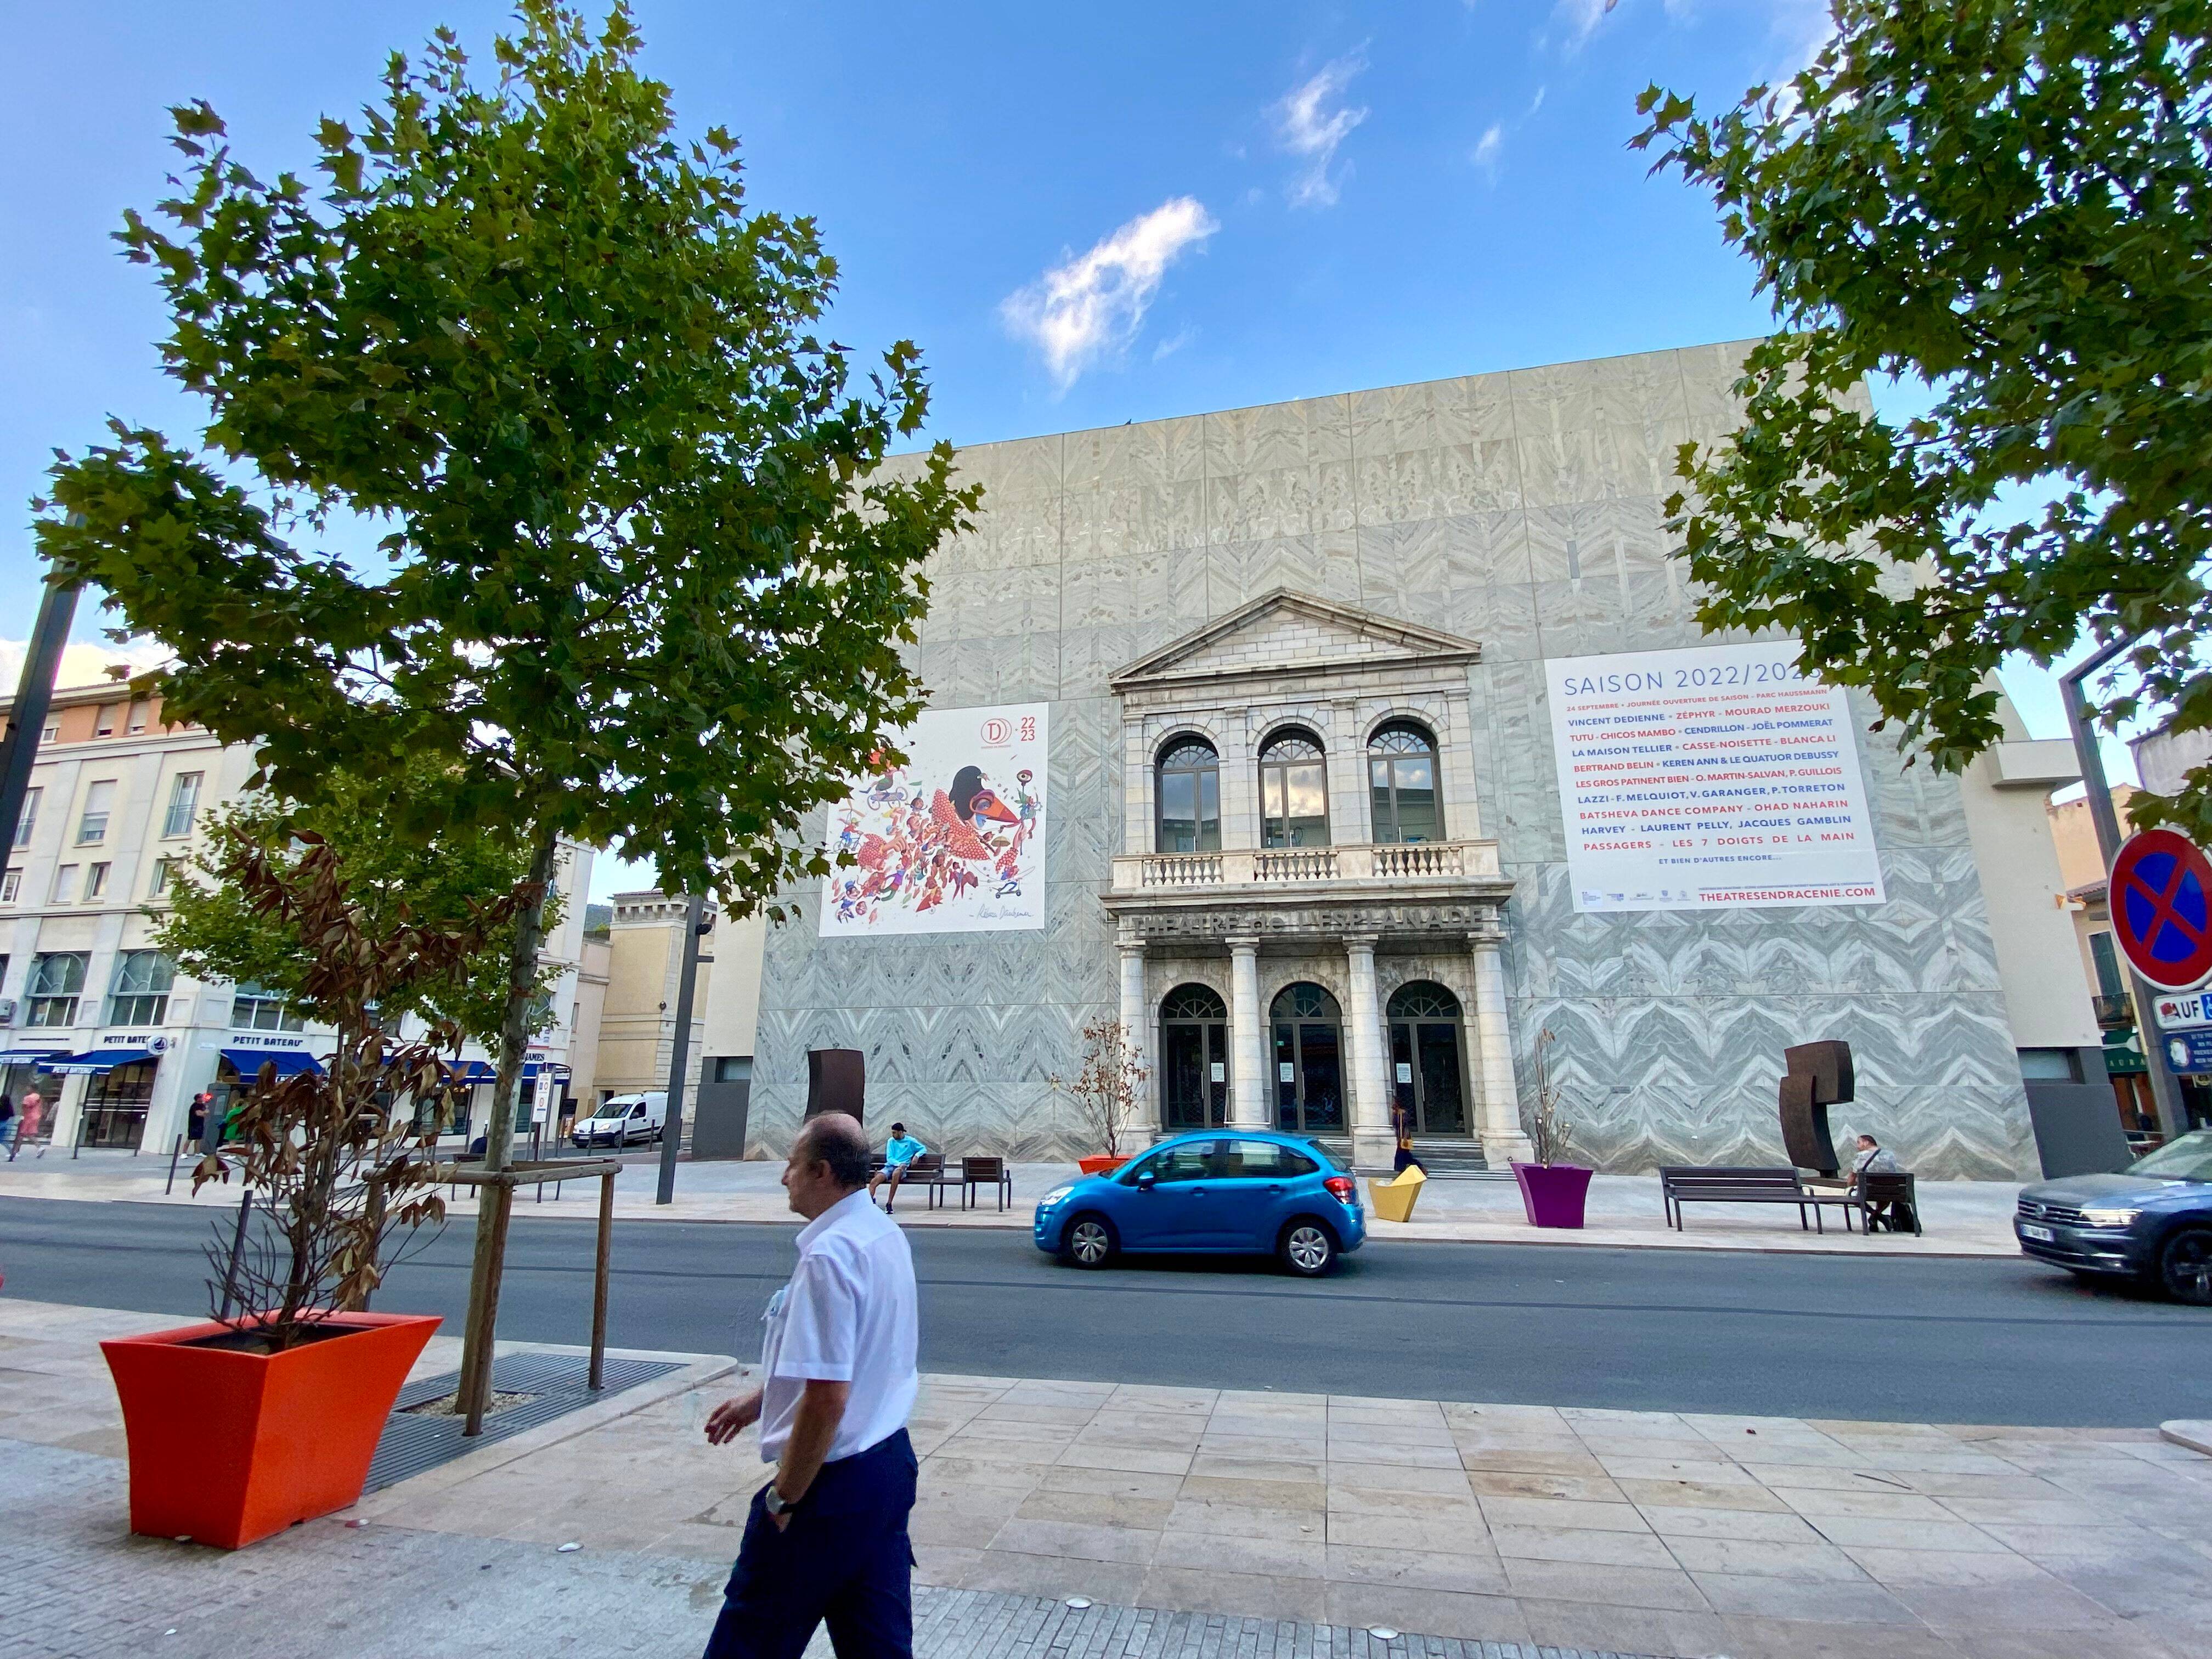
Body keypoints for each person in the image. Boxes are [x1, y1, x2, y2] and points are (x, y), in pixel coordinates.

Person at [699, 1111, 919, 1659]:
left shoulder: (830, 1255)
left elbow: (829, 1398)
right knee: (878, 1646)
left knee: (747, 1643)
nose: (783, 1178)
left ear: (821, 1172)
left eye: (791, 1165)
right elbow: (864, 1358)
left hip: (827, 1489)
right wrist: (761, 1401)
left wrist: (784, 1497)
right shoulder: (881, 1234)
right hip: (887, 1469)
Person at [867, 1121, 926, 1212]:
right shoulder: (891, 1141)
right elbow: (890, 1158)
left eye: (895, 1132)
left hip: (901, 1169)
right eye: (892, 1132)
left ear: (901, 1132)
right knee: (874, 1181)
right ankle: (869, 1204)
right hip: (890, 1167)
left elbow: (923, 1148)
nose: (893, 1134)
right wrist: (898, 1164)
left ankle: (889, 1203)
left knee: (896, 1173)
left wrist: (917, 1156)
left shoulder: (911, 1141)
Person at [1391, 1099, 1426, 1176]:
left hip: (1404, 1138)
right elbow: (1395, 1126)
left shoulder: (1403, 1114)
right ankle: (1418, 1168)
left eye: (1394, 1104)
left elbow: (1406, 1127)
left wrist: (1405, 1138)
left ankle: (1402, 1171)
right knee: (1405, 1156)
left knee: (1402, 1155)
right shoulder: (1396, 1114)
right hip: (1400, 1138)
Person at [8, 1088, 43, 1162]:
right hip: (35, 1117)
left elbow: (25, 1108)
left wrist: (22, 1117)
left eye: (28, 1088)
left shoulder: (28, 1098)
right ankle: (15, 1153)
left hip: (28, 1118)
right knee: (24, 1134)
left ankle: (39, 1147)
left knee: (23, 1134)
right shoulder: (38, 1098)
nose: (27, 1089)